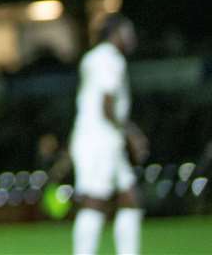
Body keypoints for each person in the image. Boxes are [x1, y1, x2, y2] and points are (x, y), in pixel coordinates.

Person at [71, 15, 145, 255]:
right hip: (99, 140)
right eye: (128, 32)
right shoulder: (110, 59)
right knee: (95, 201)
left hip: (99, 138)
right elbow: (107, 105)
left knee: (129, 198)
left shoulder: (94, 57)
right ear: (116, 33)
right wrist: (131, 133)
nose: (132, 37)